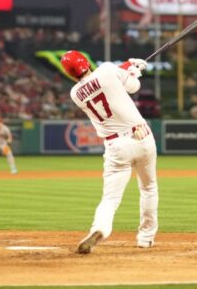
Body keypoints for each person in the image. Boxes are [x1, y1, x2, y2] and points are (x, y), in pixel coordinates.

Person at [60, 50, 158, 254]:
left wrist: (127, 66)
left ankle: (99, 229)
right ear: (86, 62)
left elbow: (104, 79)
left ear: (70, 73)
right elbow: (133, 86)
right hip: (141, 136)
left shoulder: (75, 93)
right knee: (148, 188)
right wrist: (135, 71)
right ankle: (145, 238)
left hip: (116, 147)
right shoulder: (105, 69)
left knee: (110, 199)